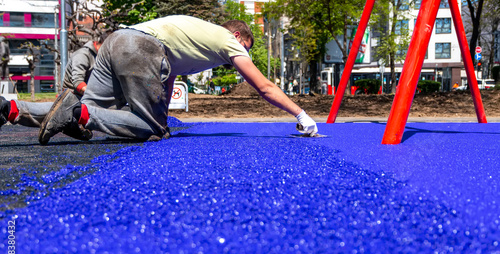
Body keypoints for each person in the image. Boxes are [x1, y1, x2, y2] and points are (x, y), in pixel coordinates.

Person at [37, 15, 318, 145]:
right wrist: (301, 114)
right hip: (141, 48)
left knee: (81, 106)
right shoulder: (227, 40)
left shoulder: (198, 37)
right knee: (152, 130)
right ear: (237, 37)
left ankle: (13, 110)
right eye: (247, 47)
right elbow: (264, 87)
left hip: (117, 40)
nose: (244, 54)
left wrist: (164, 115)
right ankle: (80, 113)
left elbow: (167, 76)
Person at [0, 34, 108, 139]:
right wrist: (95, 95)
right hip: (72, 99)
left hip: (83, 100)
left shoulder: (99, 57)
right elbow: (78, 82)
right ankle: (7, 109)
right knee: (56, 114)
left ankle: (71, 124)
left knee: (60, 116)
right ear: (103, 45)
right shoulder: (83, 55)